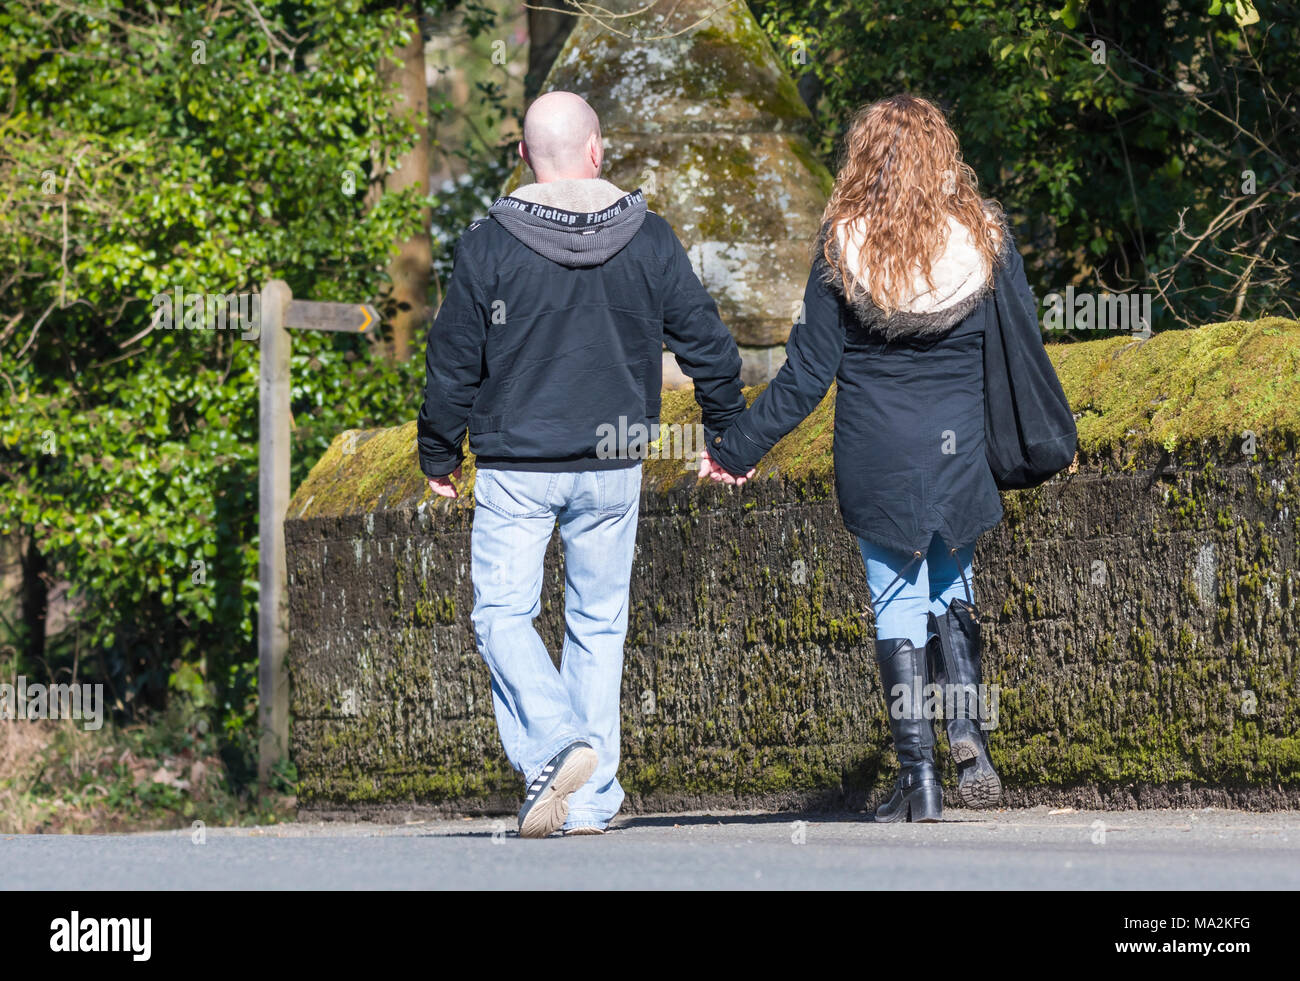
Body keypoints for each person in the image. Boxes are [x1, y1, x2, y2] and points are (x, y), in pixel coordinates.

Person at [418, 91, 748, 838]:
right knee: (598, 625)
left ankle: (556, 741)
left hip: (517, 464)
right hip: (613, 463)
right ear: (596, 150)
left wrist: (439, 451)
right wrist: (726, 434)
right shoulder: (650, 237)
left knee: (503, 612)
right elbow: (709, 346)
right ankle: (592, 802)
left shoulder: (487, 243)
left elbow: (451, 362)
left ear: (528, 159)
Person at [704, 94, 1020, 822]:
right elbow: (1017, 346)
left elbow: (806, 377)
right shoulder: (985, 237)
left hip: (879, 453)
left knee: (896, 601)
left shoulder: (842, 246)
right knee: (952, 588)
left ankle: (921, 780)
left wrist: (735, 450)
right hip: (958, 450)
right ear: (943, 155)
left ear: (863, 161)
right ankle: (967, 729)